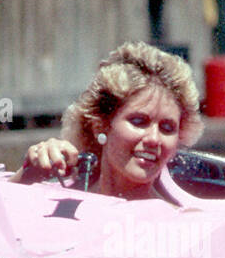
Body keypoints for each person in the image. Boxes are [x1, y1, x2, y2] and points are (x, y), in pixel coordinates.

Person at [12, 41, 203, 199]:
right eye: (138, 121)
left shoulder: (178, 225)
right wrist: (28, 176)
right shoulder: (60, 199)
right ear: (100, 125)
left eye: (167, 128)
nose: (154, 138)